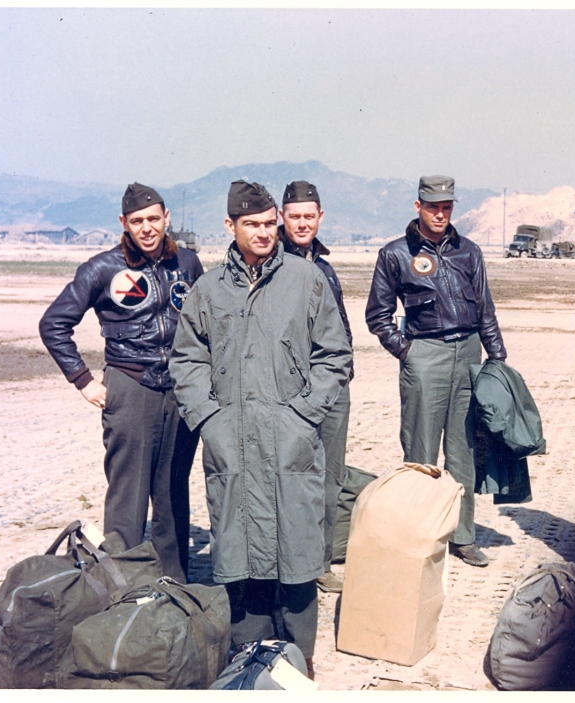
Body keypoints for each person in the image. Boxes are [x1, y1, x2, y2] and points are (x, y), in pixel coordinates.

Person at [169, 180, 352, 679]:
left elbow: (334, 355)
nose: (265, 232)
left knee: (296, 547)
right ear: (230, 226)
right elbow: (187, 360)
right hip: (233, 440)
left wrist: (303, 416)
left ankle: (298, 659)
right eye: (252, 224)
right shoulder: (208, 290)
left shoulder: (306, 280)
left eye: (270, 223)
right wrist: (210, 420)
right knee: (239, 546)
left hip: (289, 438)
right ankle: (248, 657)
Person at [39, 183, 202, 582]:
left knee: (171, 490)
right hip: (130, 385)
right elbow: (54, 323)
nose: (146, 228)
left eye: (153, 219)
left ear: (167, 218)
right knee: (128, 494)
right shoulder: (102, 268)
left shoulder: (188, 264)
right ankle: (124, 584)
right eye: (137, 221)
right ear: (123, 223)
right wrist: (84, 381)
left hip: (180, 389)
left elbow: (205, 322)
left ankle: (174, 582)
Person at [365, 175, 506, 568]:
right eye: (433, 207)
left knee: (463, 452)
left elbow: (486, 309)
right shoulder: (395, 254)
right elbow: (377, 315)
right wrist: (408, 352)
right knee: (421, 453)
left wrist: (496, 360)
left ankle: (462, 537)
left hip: (469, 352)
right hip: (425, 354)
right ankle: (419, 537)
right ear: (418, 207)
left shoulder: (469, 252)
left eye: (446, 207)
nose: (440, 214)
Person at [278, 180, 353, 594]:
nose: (303, 223)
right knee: (291, 479)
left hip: (335, 389)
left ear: (320, 218)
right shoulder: (274, 266)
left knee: (330, 479)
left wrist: (345, 374)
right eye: (295, 217)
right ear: (281, 219)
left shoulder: (324, 266)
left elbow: (339, 330)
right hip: (294, 392)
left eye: (310, 216)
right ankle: (290, 564)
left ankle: (321, 562)